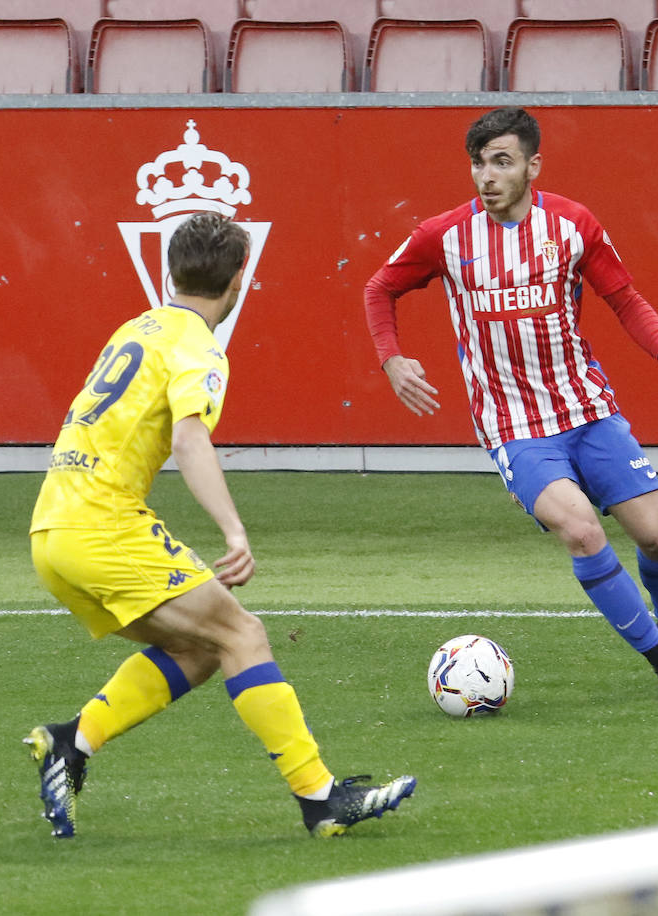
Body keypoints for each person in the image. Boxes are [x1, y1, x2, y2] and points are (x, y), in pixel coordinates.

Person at [26, 211, 414, 838]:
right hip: (103, 527)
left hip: (52, 531)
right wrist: (234, 531)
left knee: (201, 647)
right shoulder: (199, 346)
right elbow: (189, 440)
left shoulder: (138, 328)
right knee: (244, 635)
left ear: (170, 271)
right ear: (239, 279)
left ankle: (71, 743)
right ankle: (321, 799)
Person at [363, 107, 658, 702]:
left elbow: (624, 297)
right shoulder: (444, 236)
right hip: (514, 426)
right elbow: (381, 288)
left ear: (533, 165)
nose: (487, 176)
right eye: (479, 163)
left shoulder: (573, 225)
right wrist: (391, 358)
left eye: (501, 162)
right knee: (581, 531)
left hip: (587, 409)